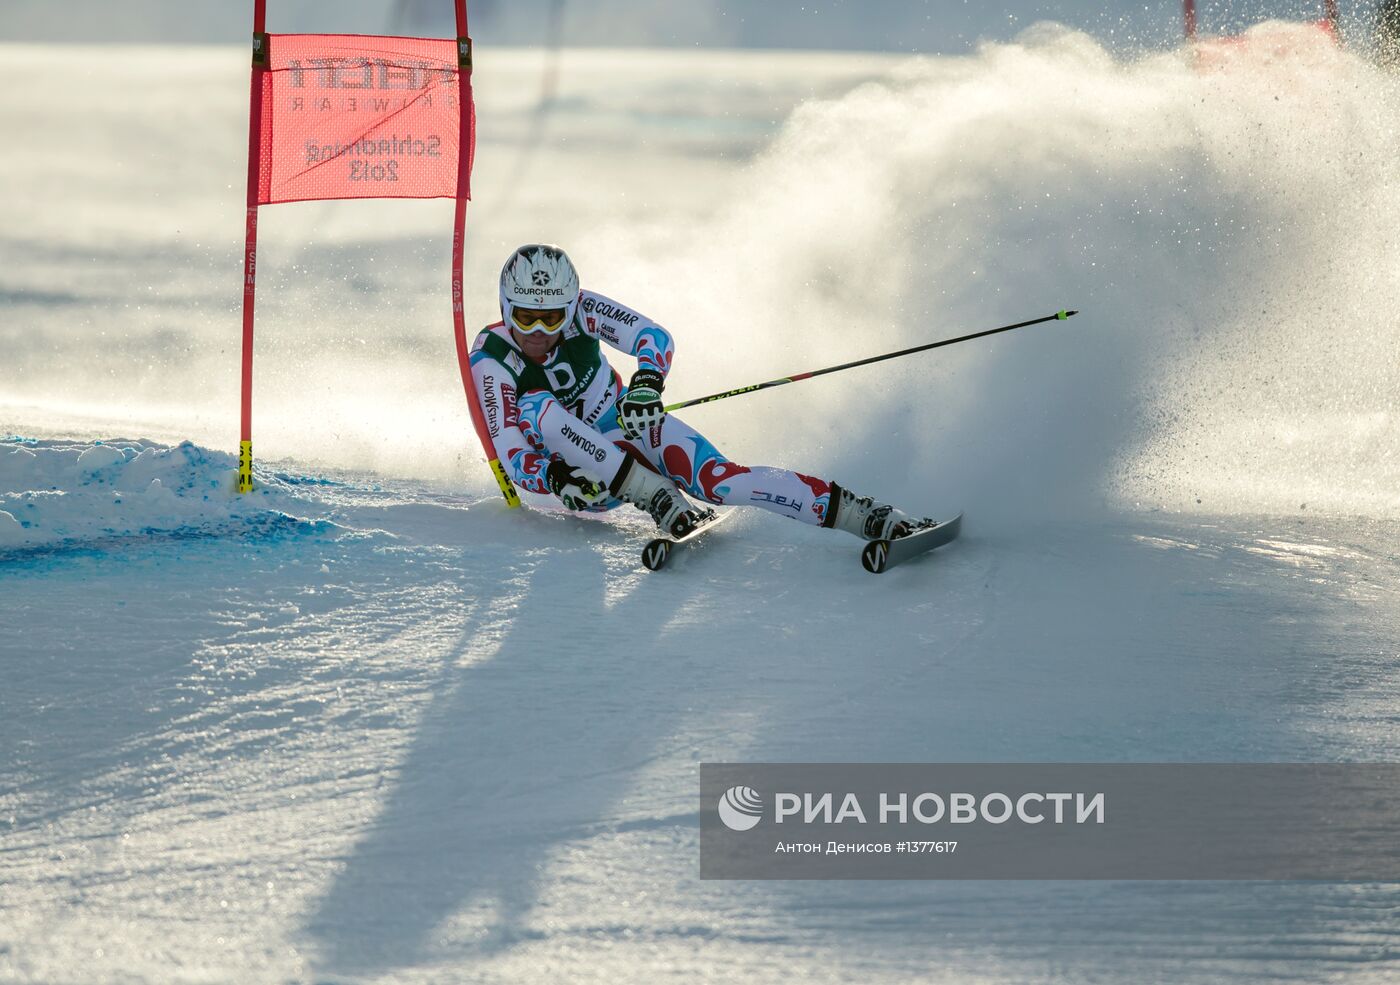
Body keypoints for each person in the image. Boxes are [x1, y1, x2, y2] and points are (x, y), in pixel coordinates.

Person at [469, 244, 932, 540]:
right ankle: (653, 494)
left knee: (722, 480)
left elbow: (652, 336)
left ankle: (866, 515)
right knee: (538, 408)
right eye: (525, 316)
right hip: (583, 482)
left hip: (624, 428)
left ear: (569, 307)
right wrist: (555, 479)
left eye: (551, 318)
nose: (537, 331)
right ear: (506, 306)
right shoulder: (492, 357)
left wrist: (647, 384)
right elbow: (511, 451)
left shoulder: (584, 310)